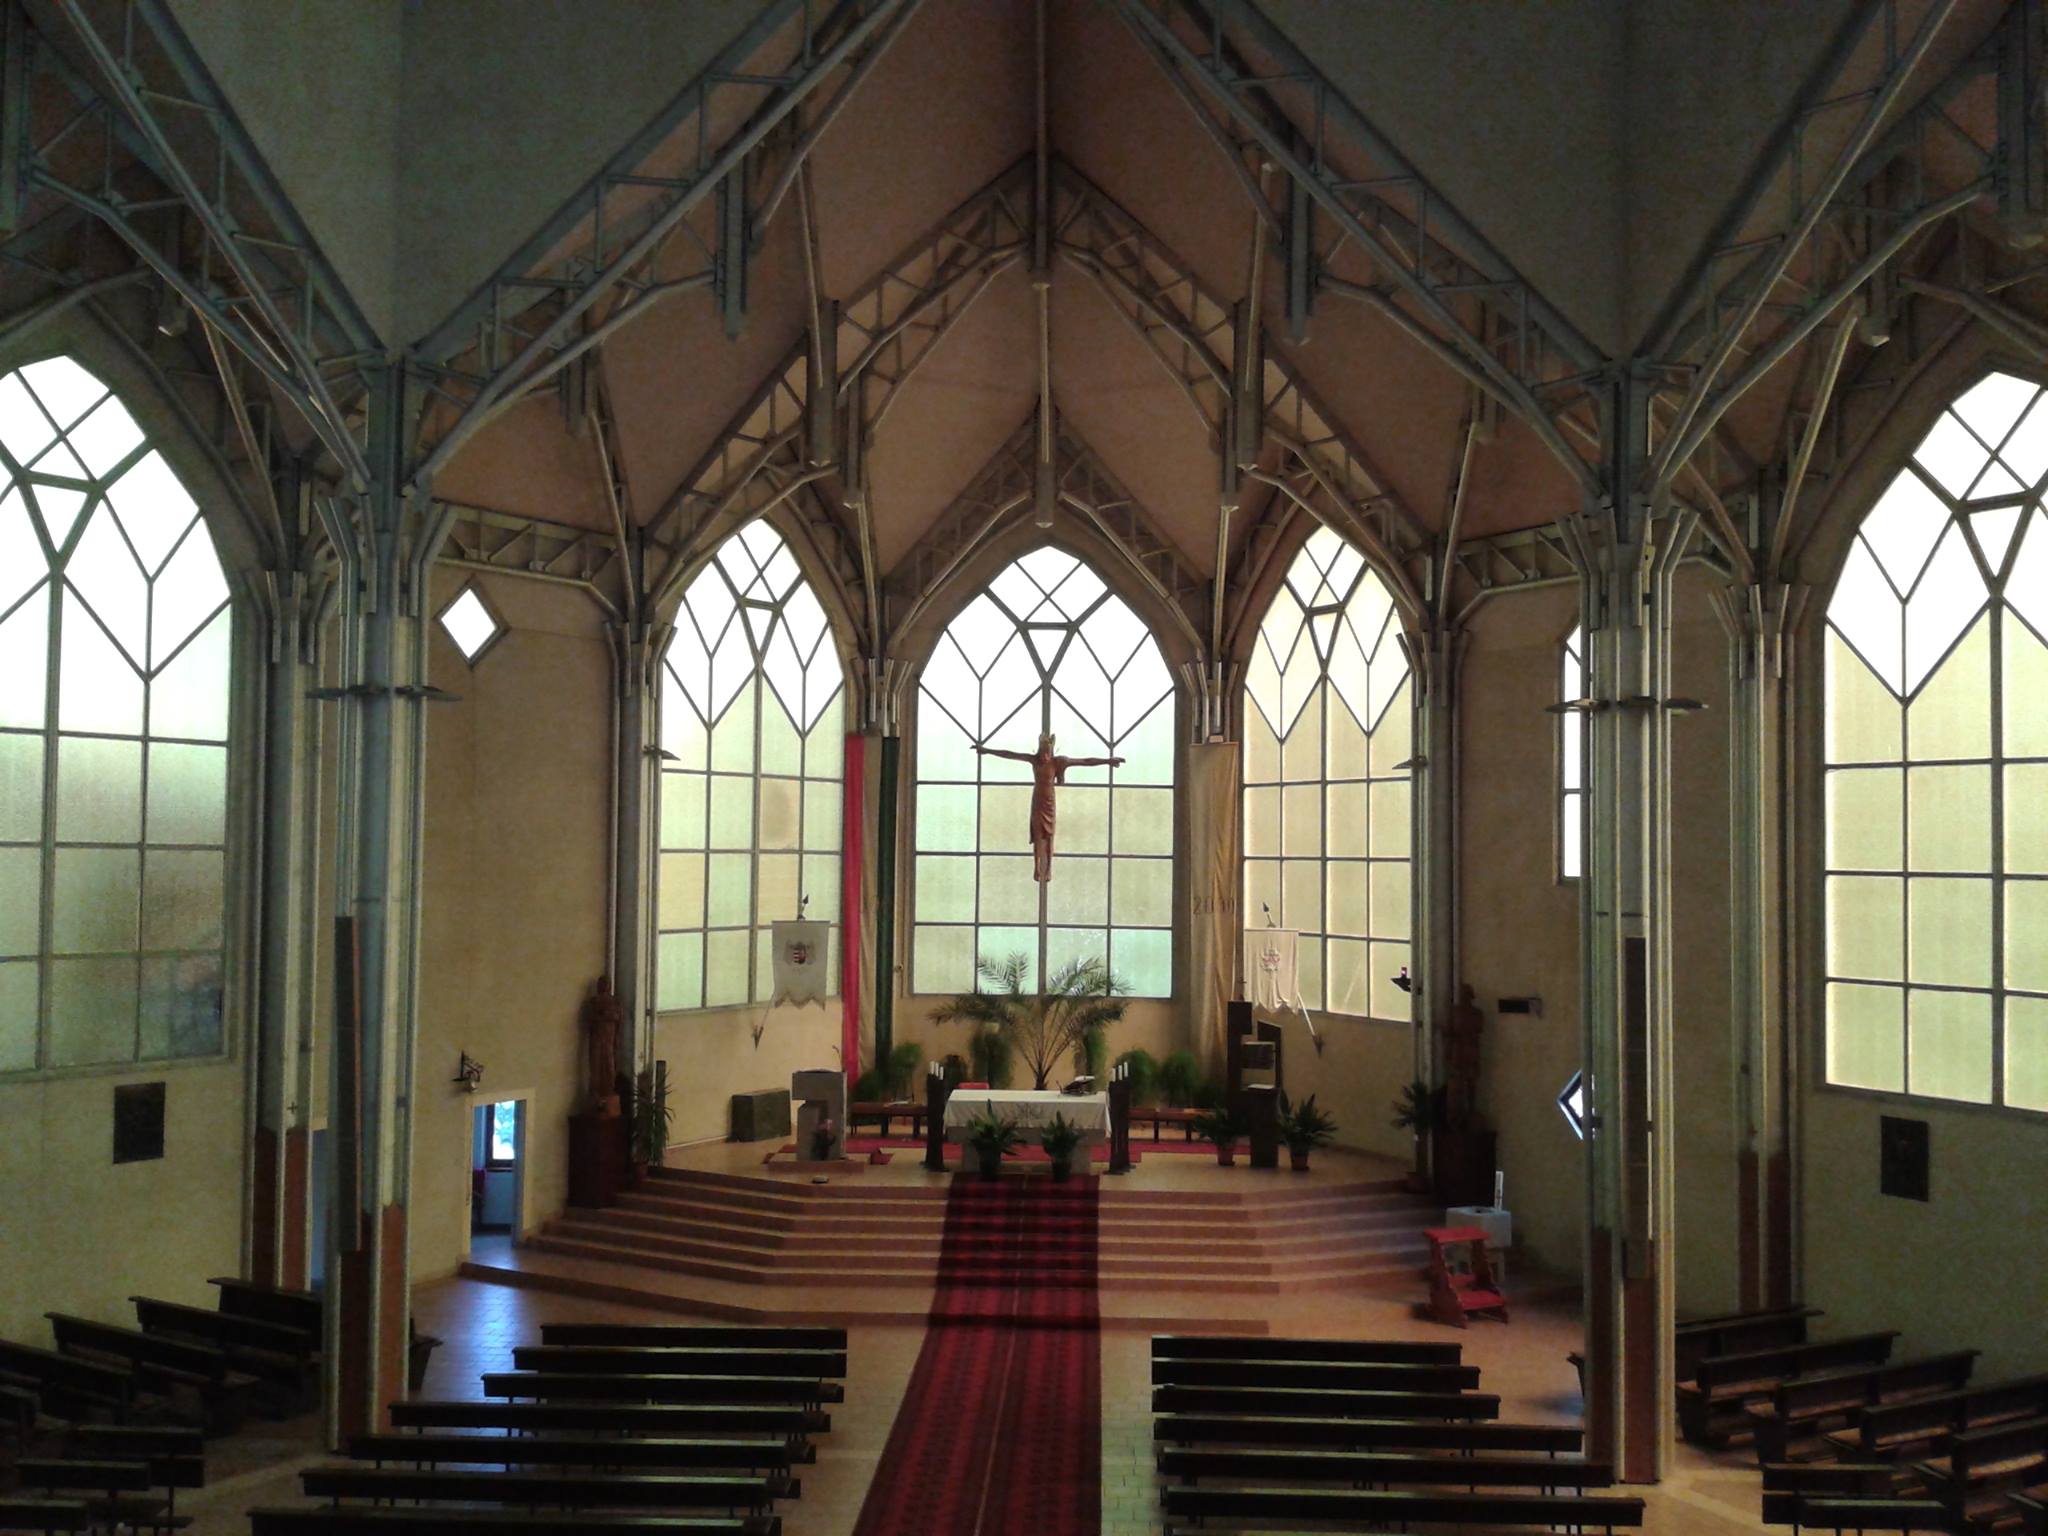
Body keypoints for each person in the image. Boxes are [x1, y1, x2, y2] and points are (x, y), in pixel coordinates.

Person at [974, 733, 1124, 882]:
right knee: (1038, 835)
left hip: (1049, 802)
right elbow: (1010, 754)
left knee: (1050, 836)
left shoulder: (1059, 761)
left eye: (1047, 752)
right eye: (1042, 751)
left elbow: (1085, 761)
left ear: (1051, 751)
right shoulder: (1034, 760)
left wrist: (1108, 761)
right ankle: (1036, 868)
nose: (1045, 756)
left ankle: (1049, 869)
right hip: (1038, 801)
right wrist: (987, 750)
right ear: (1039, 750)